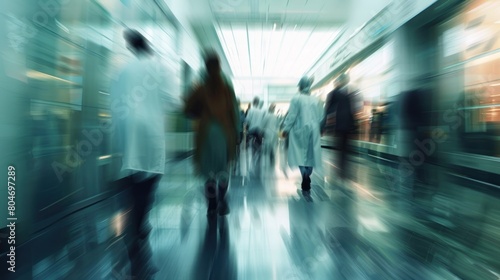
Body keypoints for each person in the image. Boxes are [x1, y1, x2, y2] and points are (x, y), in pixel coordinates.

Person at [110, 29, 178, 279]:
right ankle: (138, 229)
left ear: (132, 48)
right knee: (148, 181)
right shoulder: (161, 67)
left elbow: (112, 103)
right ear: (148, 46)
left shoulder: (122, 71)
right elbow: (173, 100)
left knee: (131, 179)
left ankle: (136, 224)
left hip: (125, 132)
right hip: (149, 132)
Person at [183, 50, 240, 216]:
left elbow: (187, 110)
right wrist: (237, 132)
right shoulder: (227, 88)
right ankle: (222, 200)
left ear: (206, 67)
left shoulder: (201, 87)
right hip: (224, 134)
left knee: (208, 173)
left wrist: (199, 112)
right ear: (219, 66)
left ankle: (211, 204)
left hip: (205, 135)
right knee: (223, 170)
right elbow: (234, 112)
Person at [282, 76, 323, 192]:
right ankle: (308, 175)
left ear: (300, 87)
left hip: (299, 130)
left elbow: (292, 116)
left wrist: (286, 129)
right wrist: (320, 129)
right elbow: (321, 117)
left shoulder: (296, 99)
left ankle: (304, 174)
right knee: (310, 155)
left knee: (299, 154)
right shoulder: (316, 100)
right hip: (314, 130)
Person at [321, 73, 357, 181]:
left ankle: (344, 171)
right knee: (340, 148)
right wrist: (324, 125)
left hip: (347, 125)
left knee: (346, 149)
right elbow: (327, 110)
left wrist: (353, 125)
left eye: (347, 80)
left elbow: (352, 111)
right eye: (344, 80)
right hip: (338, 125)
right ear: (339, 81)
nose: (346, 82)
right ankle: (340, 171)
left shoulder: (350, 93)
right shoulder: (333, 94)